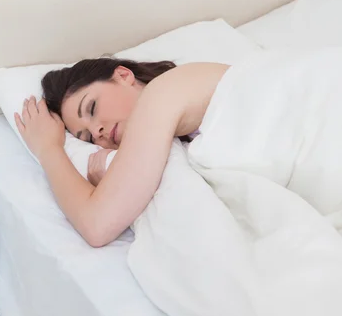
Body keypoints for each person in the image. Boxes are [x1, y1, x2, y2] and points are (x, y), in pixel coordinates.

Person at [14, 58, 229, 247]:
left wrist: (48, 149)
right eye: (88, 138)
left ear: (123, 75)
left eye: (92, 108)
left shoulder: (162, 93)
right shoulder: (180, 129)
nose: (97, 132)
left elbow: (97, 225)